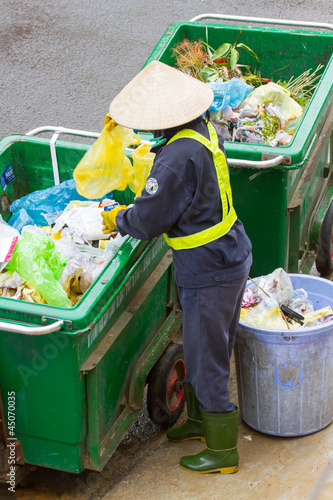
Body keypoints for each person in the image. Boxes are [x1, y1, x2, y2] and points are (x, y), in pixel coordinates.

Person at [102, 60, 252, 474]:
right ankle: (202, 421)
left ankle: (223, 451)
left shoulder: (175, 158)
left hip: (209, 269)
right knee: (212, 344)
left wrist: (116, 218)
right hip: (230, 252)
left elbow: (148, 221)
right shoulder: (199, 131)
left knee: (206, 358)